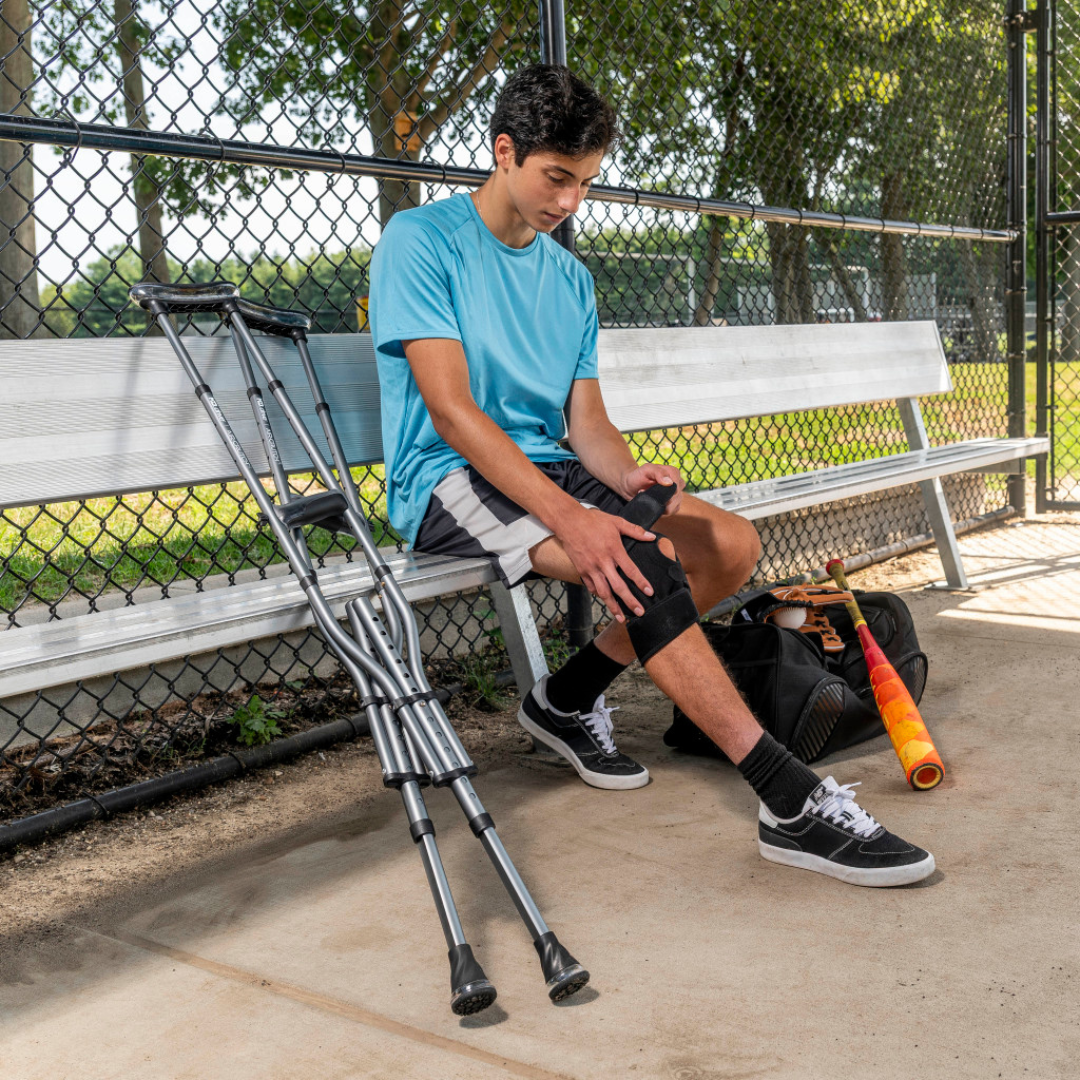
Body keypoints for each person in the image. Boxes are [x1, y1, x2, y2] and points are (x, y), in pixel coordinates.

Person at [369, 64, 935, 887]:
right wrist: (574, 518)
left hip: (547, 465)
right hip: (450, 477)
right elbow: (453, 414)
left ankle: (565, 698)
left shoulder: (570, 279)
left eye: (585, 183)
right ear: (503, 151)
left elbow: (585, 425)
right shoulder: (421, 243)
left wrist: (625, 474)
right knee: (643, 567)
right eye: (555, 177)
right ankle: (789, 801)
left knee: (726, 546)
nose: (569, 202)